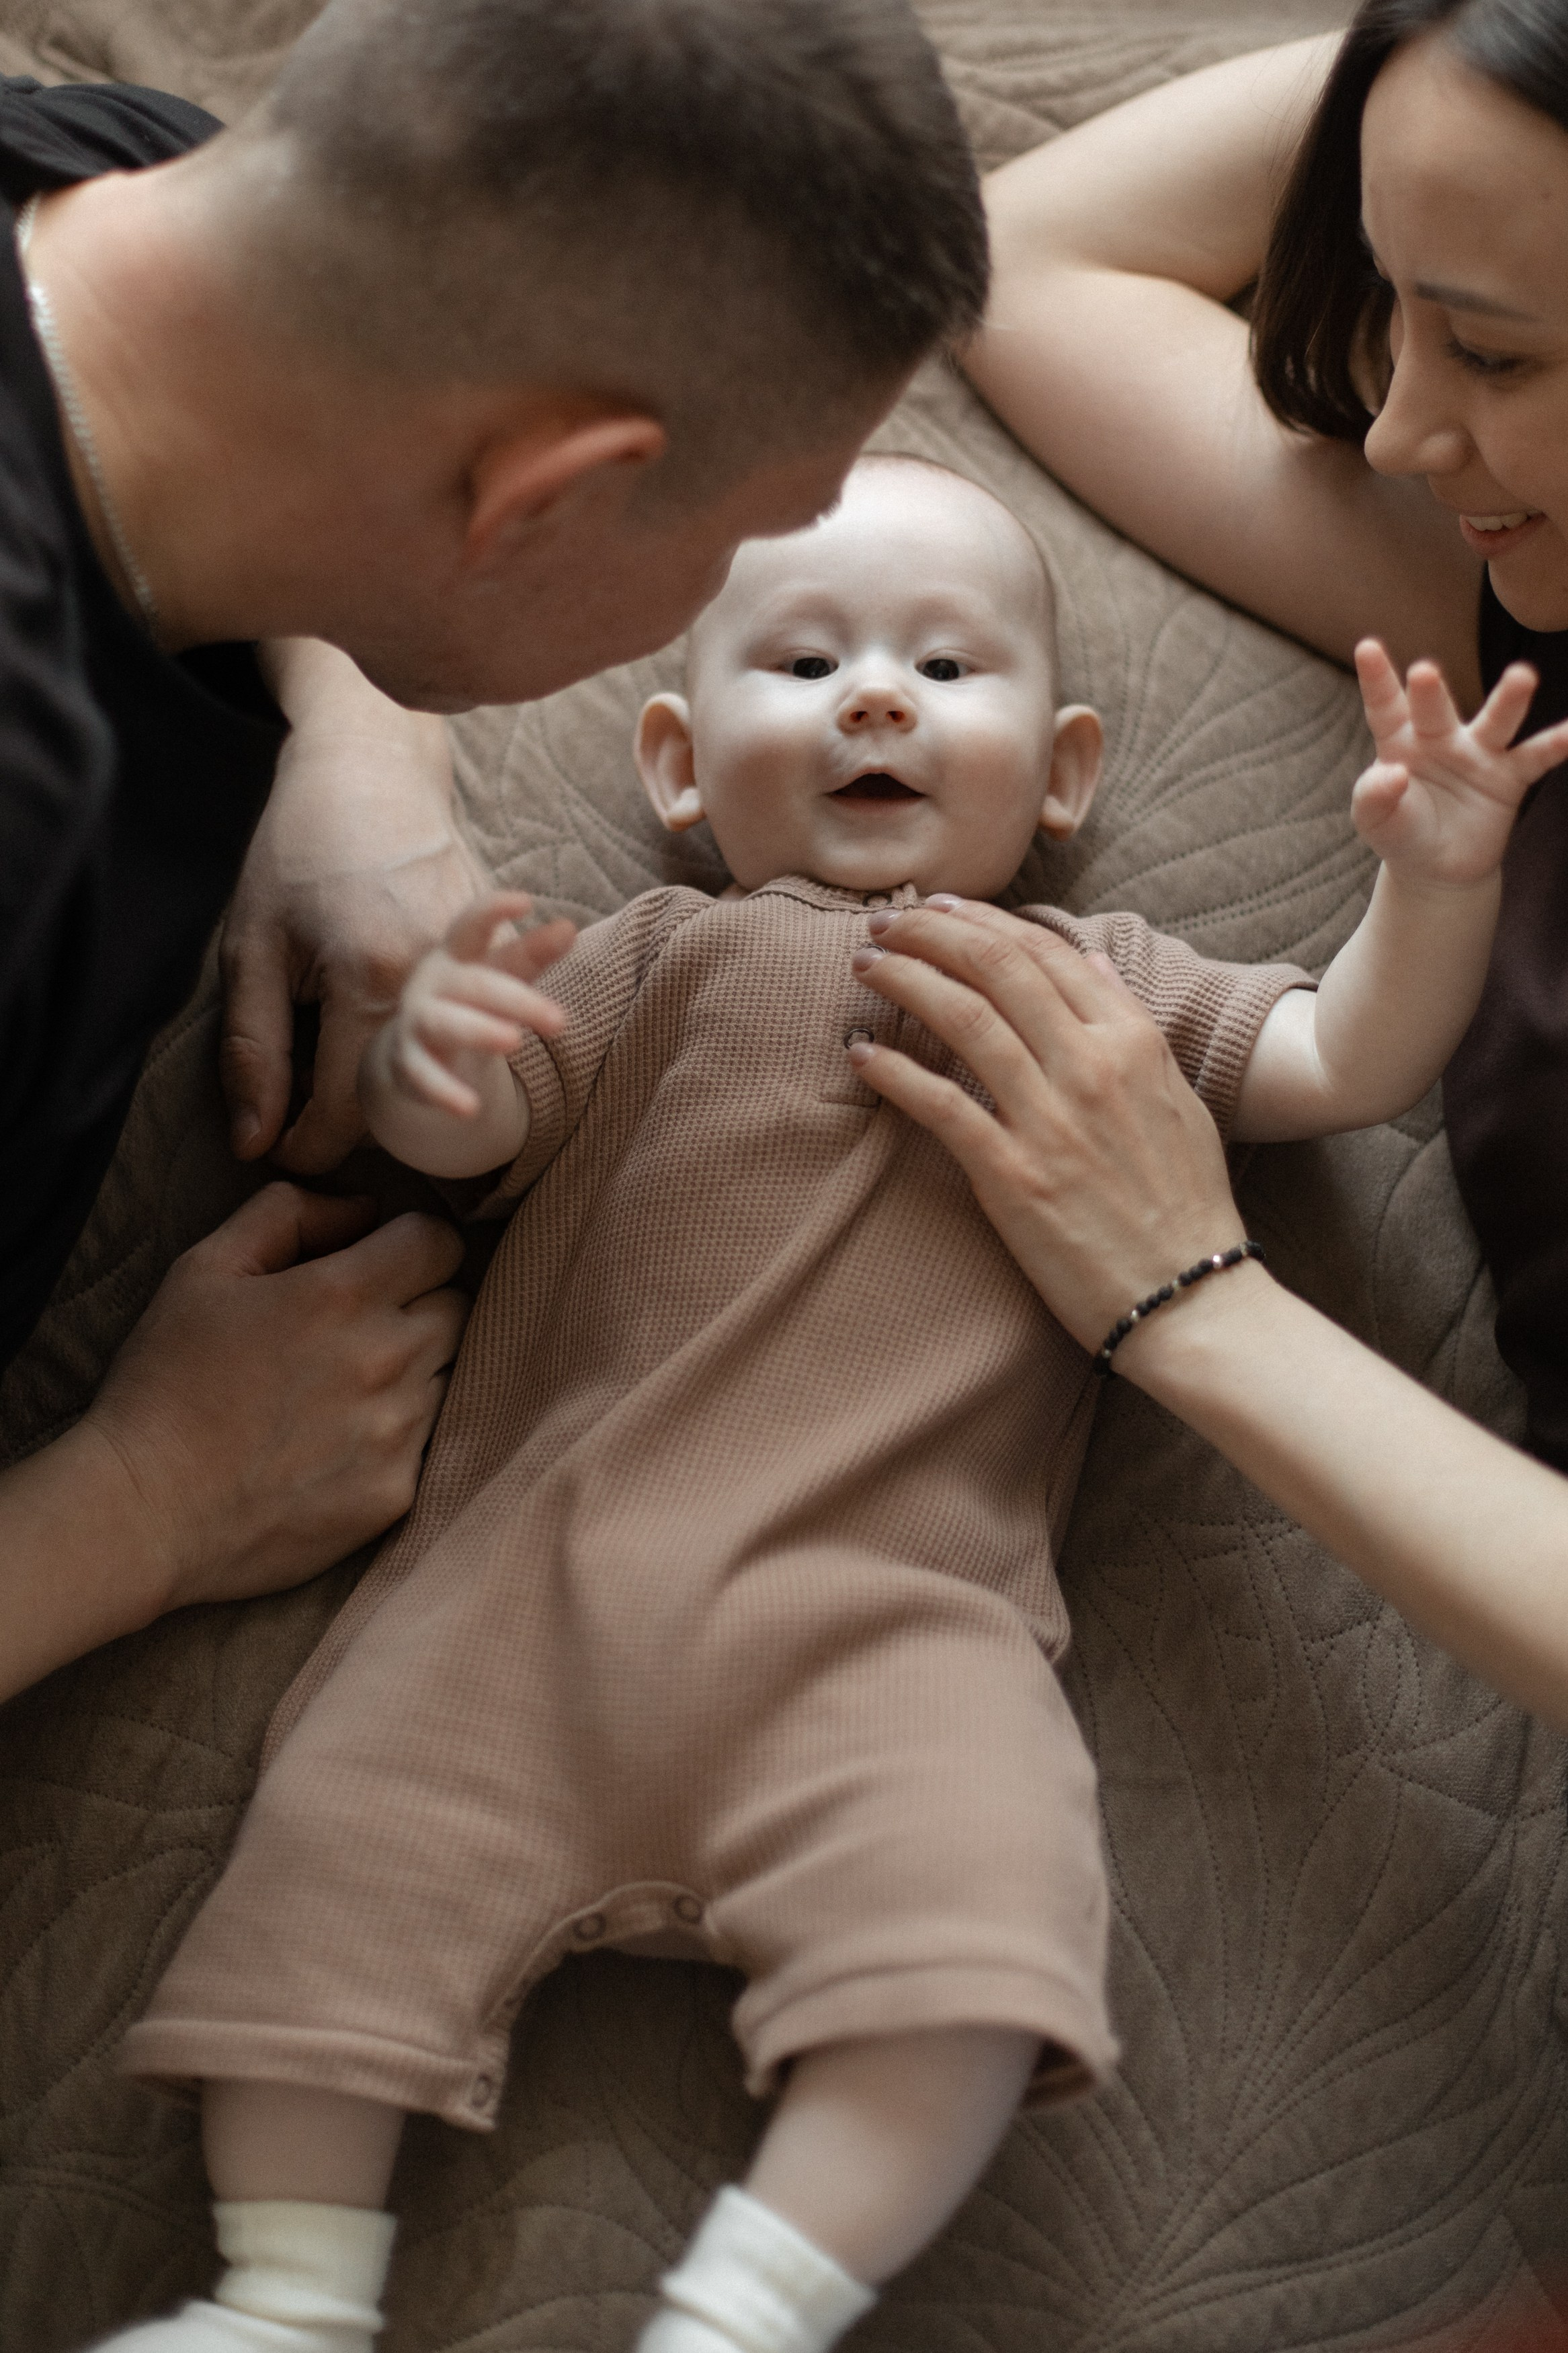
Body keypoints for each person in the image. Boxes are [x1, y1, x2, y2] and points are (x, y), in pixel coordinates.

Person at [95, 457, 1568, 2353]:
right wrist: (428, 1047)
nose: (874, 696)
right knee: (335, 1854)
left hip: (897, 1625)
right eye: (803, 663)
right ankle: (284, 2291)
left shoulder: (1094, 995)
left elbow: (1339, 1060)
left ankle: (751, 2305)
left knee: (979, 1936)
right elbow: (462, 1139)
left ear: (1063, 775)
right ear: (675, 763)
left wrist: (1432, 882)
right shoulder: (644, 958)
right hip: (530, 1586)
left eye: (944, 668)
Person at [0, 0, 987, 1693]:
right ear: (547, 497)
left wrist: (353, 744)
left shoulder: (118, 189)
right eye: (753, 534)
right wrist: (146, 1501)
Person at [962, 0, 1568, 1470]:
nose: (1396, 435)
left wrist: (1193, 1303)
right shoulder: (1518, 624)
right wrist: (1453, 58)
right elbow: (1021, 264)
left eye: (1492, 353)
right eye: (1387, 293)